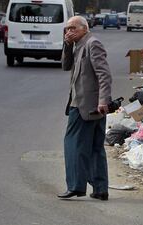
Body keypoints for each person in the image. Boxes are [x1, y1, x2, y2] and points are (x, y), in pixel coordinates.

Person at [57, 16, 112, 201]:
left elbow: (104, 74)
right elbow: (65, 66)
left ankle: (75, 186)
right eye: (66, 29)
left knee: (73, 146)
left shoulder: (92, 43)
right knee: (96, 148)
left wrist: (103, 101)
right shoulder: (78, 45)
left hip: (86, 106)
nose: (69, 32)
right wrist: (67, 46)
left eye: (72, 28)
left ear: (84, 28)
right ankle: (100, 189)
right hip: (89, 105)